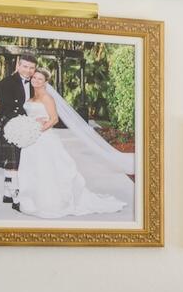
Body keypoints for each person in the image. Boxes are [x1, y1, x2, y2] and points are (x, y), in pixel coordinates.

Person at [13, 67, 126, 218]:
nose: (36, 81)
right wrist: (27, 126)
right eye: (34, 78)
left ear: (46, 82)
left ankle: (50, 203)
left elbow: (54, 119)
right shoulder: (31, 97)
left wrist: (36, 131)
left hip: (44, 138)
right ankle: (31, 200)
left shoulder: (47, 98)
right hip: (30, 140)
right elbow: (32, 115)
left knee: (47, 169)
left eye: (40, 79)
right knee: (32, 169)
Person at [0, 52, 39, 212]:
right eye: (25, 66)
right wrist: (23, 124)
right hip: (12, 126)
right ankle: (17, 199)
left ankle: (7, 193)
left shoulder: (35, 83)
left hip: (27, 126)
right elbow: (6, 107)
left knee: (16, 161)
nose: (28, 70)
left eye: (31, 67)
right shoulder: (5, 83)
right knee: (14, 163)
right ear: (18, 66)